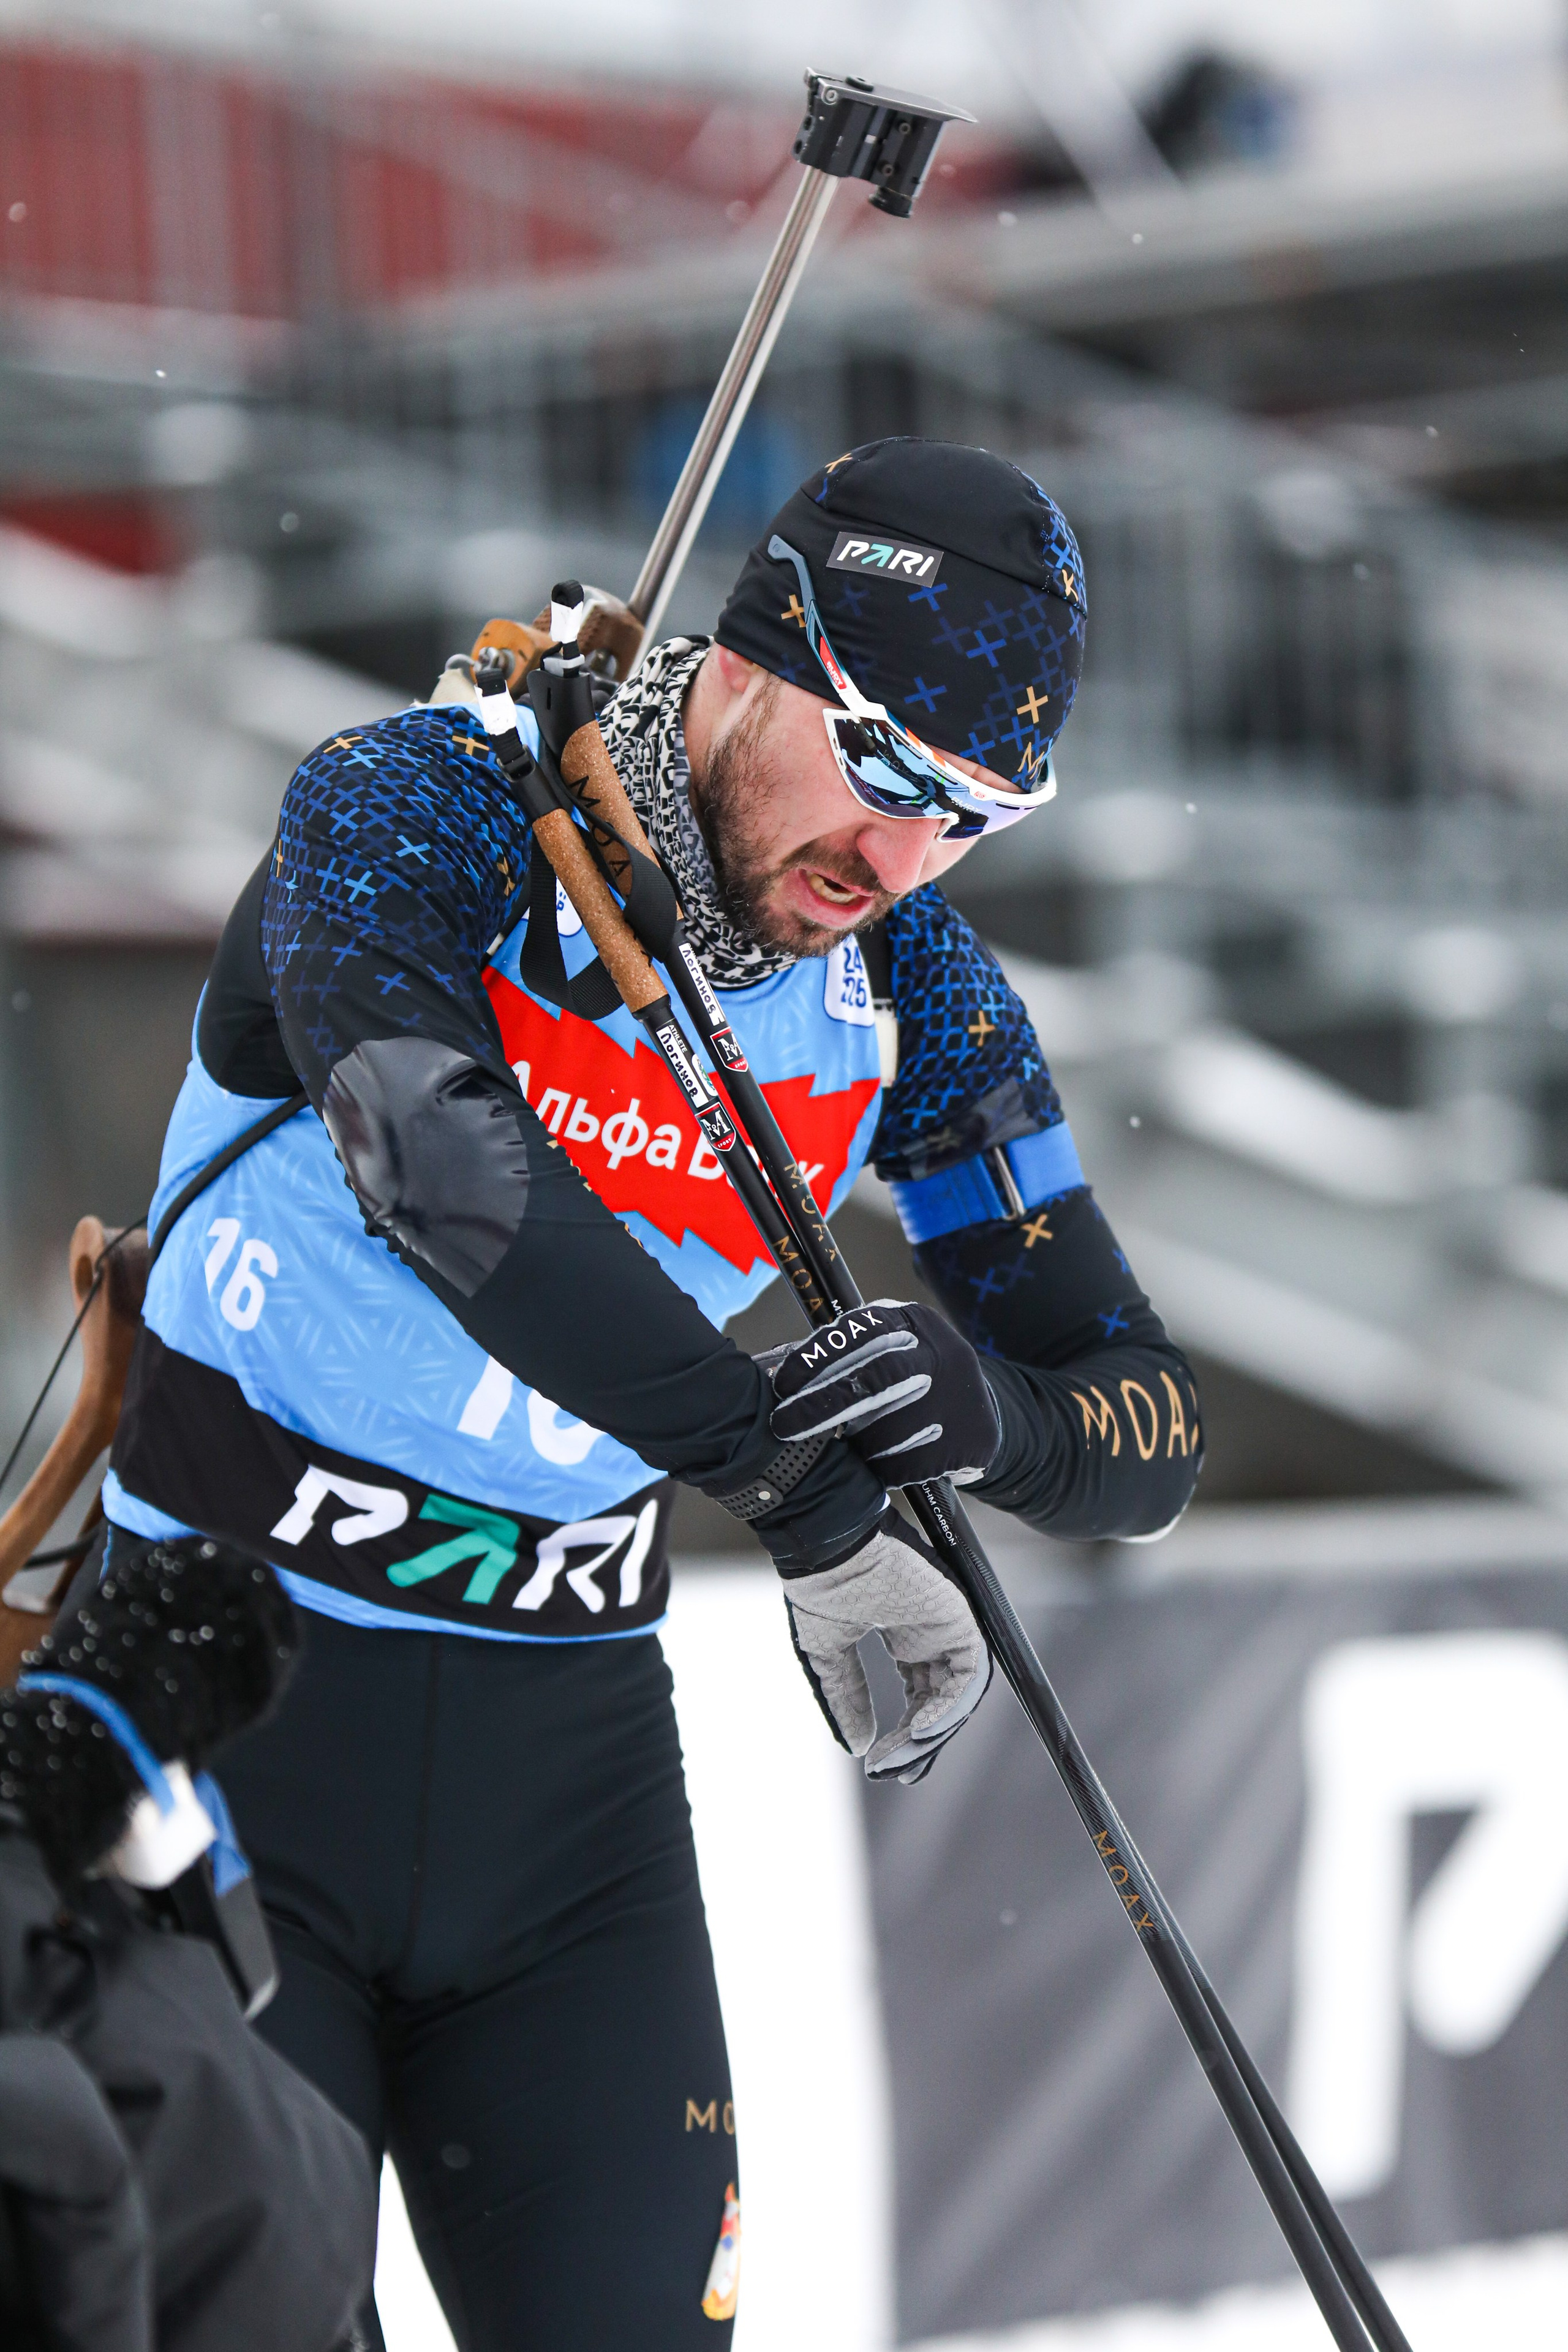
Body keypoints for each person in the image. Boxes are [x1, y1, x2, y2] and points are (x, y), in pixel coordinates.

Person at [102, 437, 1202, 2349]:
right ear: (761, 662)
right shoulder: (416, 811)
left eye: (978, 815)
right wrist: (795, 1485)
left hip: (566, 1794)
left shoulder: (911, 988)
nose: (907, 860)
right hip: (218, 1721)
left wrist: (981, 1419)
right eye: (888, 780)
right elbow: (440, 1177)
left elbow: (1145, 1427)